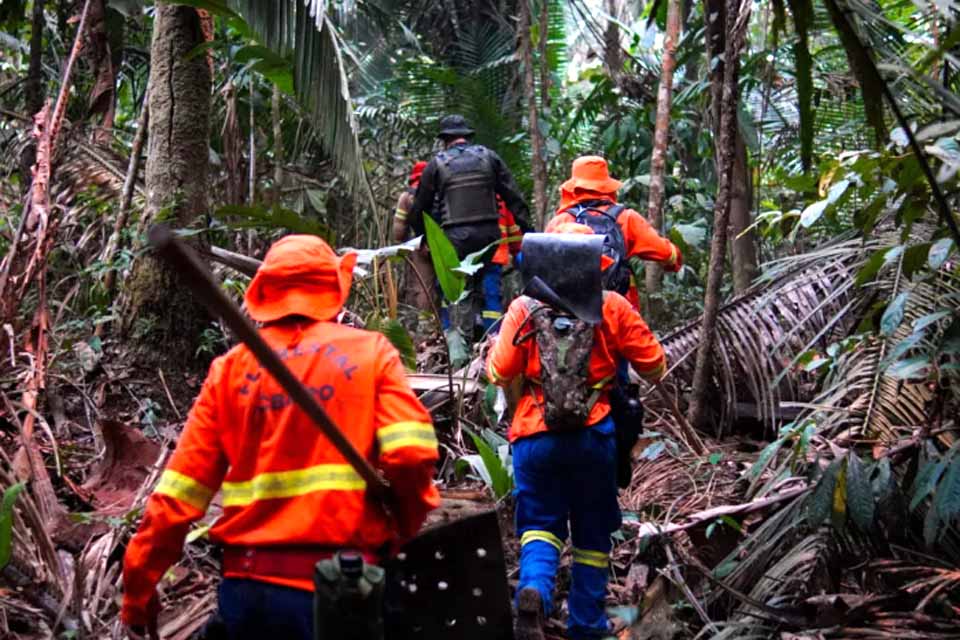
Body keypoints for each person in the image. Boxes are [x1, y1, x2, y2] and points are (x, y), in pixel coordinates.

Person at [121, 235, 440, 640]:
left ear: (264, 293)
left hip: (250, 594)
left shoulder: (230, 371)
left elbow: (177, 497)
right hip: (342, 592)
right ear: (333, 287)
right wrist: (406, 521)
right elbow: (411, 454)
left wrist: (139, 586)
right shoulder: (371, 353)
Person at [486, 232, 667, 640]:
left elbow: (498, 372)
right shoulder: (612, 306)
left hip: (534, 435)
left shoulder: (523, 308)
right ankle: (586, 625)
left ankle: (534, 590)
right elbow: (656, 365)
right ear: (594, 265)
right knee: (591, 532)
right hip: (592, 436)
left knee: (539, 524)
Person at [407, 114, 533, 366]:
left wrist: (425, 239)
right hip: (489, 237)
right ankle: (493, 351)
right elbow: (513, 196)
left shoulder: (437, 164)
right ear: (467, 136)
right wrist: (529, 232)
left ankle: (459, 358)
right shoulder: (489, 157)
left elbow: (419, 208)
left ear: (444, 140)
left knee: (456, 295)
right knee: (489, 293)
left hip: (455, 240)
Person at [546, 155, 683, 310]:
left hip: (571, 309)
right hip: (620, 306)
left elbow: (544, 272)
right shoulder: (626, 218)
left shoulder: (560, 221)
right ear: (607, 186)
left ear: (573, 187)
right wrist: (674, 259)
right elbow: (666, 253)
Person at [392, 160, 436, 331]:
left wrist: (403, 243)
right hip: (446, 245)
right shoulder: (441, 190)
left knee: (424, 287)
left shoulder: (406, 196)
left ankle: (427, 326)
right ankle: (448, 324)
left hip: (420, 245)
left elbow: (398, 230)